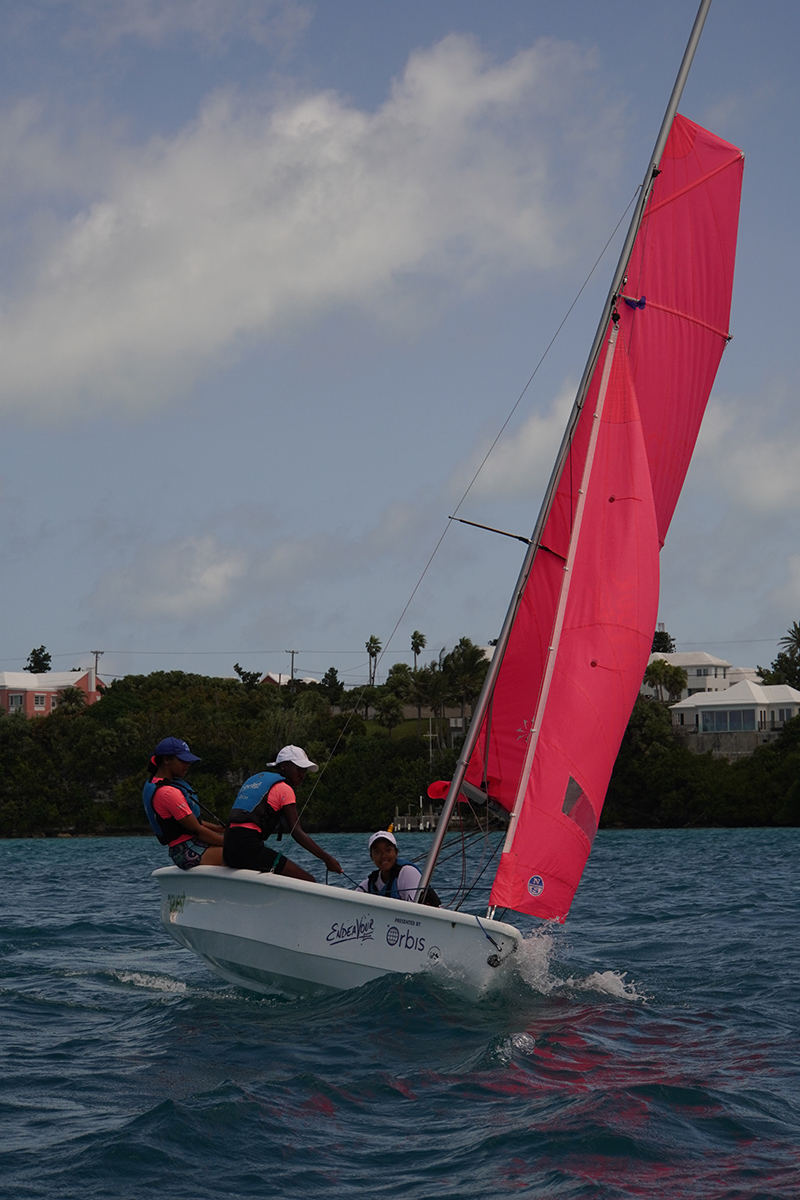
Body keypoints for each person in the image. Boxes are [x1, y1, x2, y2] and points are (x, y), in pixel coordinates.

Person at [224, 745, 342, 882]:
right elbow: (297, 832)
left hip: (229, 850)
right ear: (284, 766)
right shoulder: (284, 789)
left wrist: (225, 858)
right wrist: (328, 859)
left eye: (304, 771)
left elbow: (230, 822)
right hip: (249, 849)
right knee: (309, 881)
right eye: (299, 769)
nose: (302, 775)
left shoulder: (253, 781)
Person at [142, 737, 225, 869]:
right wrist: (230, 842)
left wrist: (218, 829)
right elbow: (197, 830)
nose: (188, 764)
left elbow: (189, 821)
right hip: (187, 851)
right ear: (166, 759)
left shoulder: (158, 783)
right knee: (245, 852)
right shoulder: (168, 793)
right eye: (183, 760)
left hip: (189, 846)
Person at [355, 831, 440, 905]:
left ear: (396, 852)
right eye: (377, 852)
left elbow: (416, 909)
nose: (383, 856)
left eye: (388, 850)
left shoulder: (408, 873)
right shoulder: (370, 883)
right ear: (371, 857)